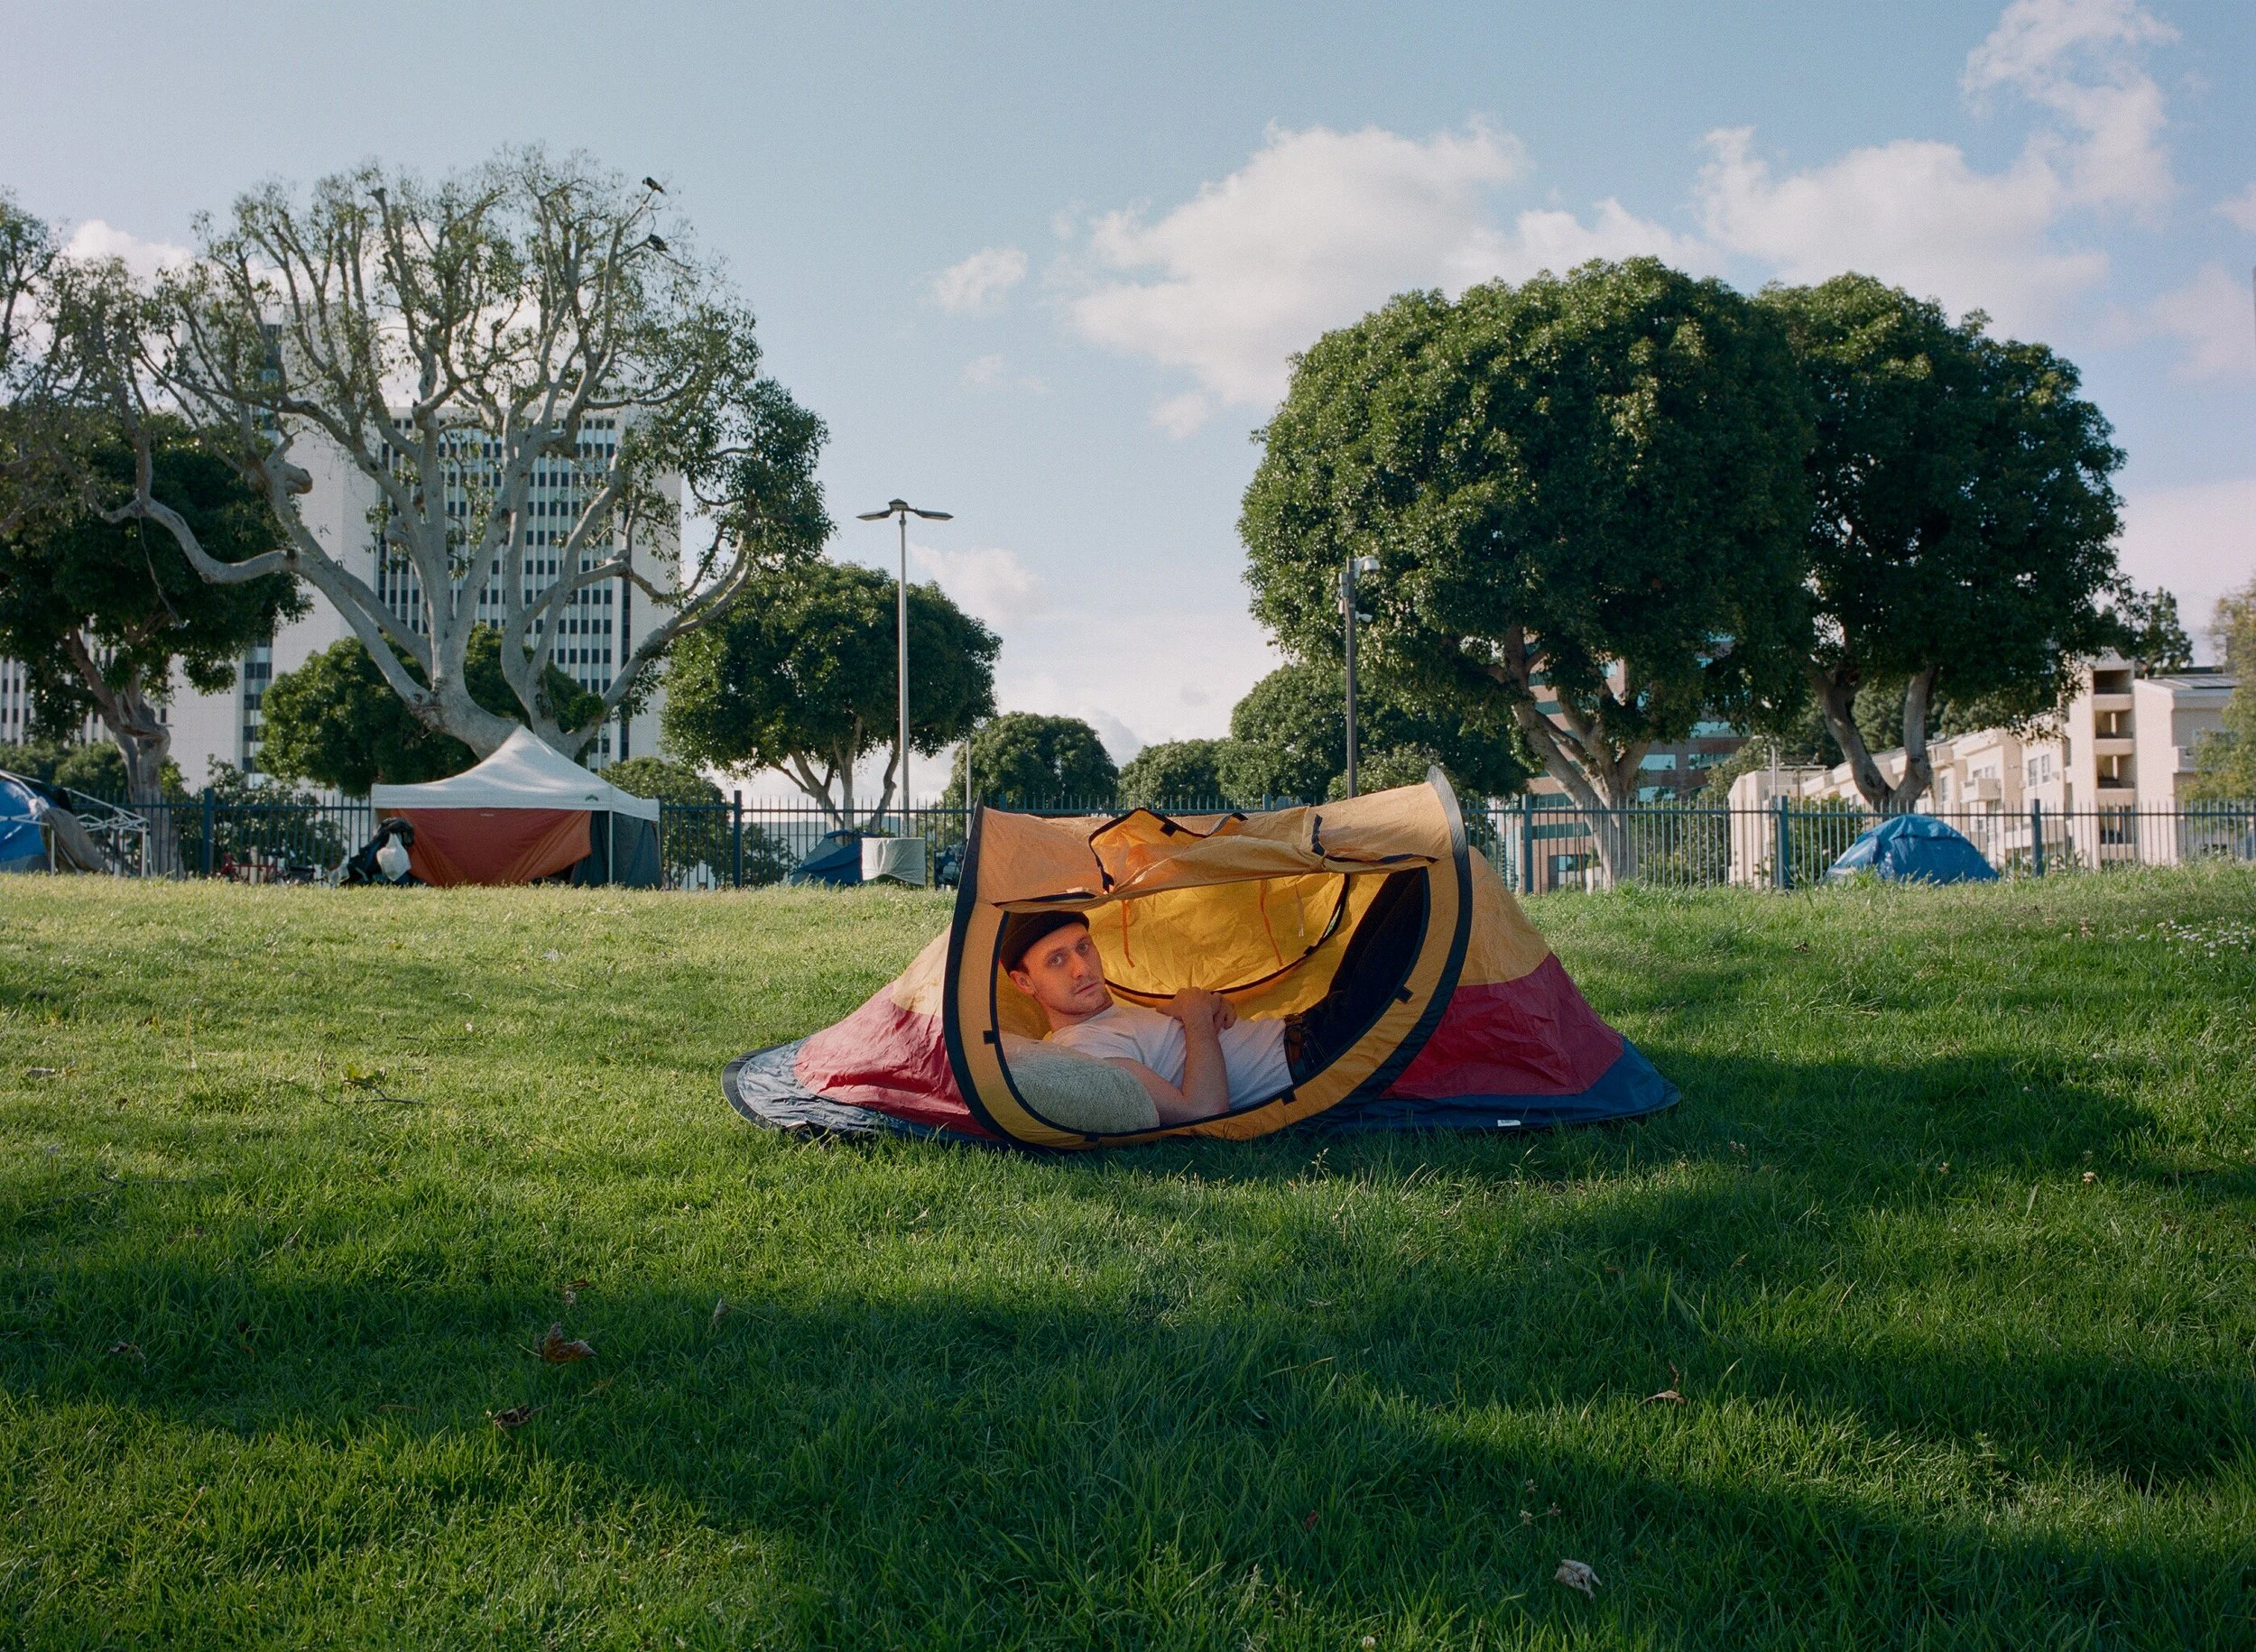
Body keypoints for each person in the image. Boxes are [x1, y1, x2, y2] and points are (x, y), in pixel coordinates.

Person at [1000, 869, 1426, 1125]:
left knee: (1404, 875)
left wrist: (1199, 1007)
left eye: (1083, 947)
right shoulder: (1086, 1051)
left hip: (1306, 1026)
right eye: (1056, 961)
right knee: (1422, 899)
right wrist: (1198, 1020)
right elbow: (1202, 1111)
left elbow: (1174, 1036)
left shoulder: (1109, 1017)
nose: (1081, 967)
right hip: (1314, 1059)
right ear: (1024, 983)